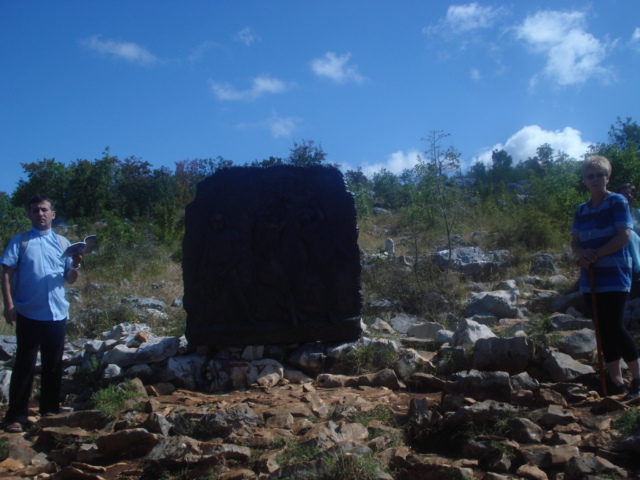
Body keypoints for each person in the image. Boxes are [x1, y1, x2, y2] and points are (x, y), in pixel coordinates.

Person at [0, 195, 82, 432]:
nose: (40, 214)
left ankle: (49, 411)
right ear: (30, 215)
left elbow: (69, 278)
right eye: (35, 210)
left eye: (44, 210)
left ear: (53, 214)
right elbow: (7, 274)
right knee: (24, 364)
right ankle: (16, 416)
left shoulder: (62, 242)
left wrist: (76, 264)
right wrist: (8, 306)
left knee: (53, 364)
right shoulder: (20, 241)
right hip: (28, 311)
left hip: (56, 313)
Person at [571, 156, 640, 398]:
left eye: (600, 175)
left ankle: (637, 379)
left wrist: (596, 254)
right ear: (585, 180)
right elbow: (575, 242)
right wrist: (582, 255)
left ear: (607, 177)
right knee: (602, 328)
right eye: (590, 176)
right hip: (590, 278)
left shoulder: (617, 202)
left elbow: (624, 236)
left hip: (615, 275)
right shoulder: (581, 210)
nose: (595, 179)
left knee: (615, 326)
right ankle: (616, 381)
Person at [617, 184, 640, 300]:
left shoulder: (638, 214)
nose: (629, 195)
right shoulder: (613, 213)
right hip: (620, 252)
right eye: (625, 193)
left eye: (631, 193)